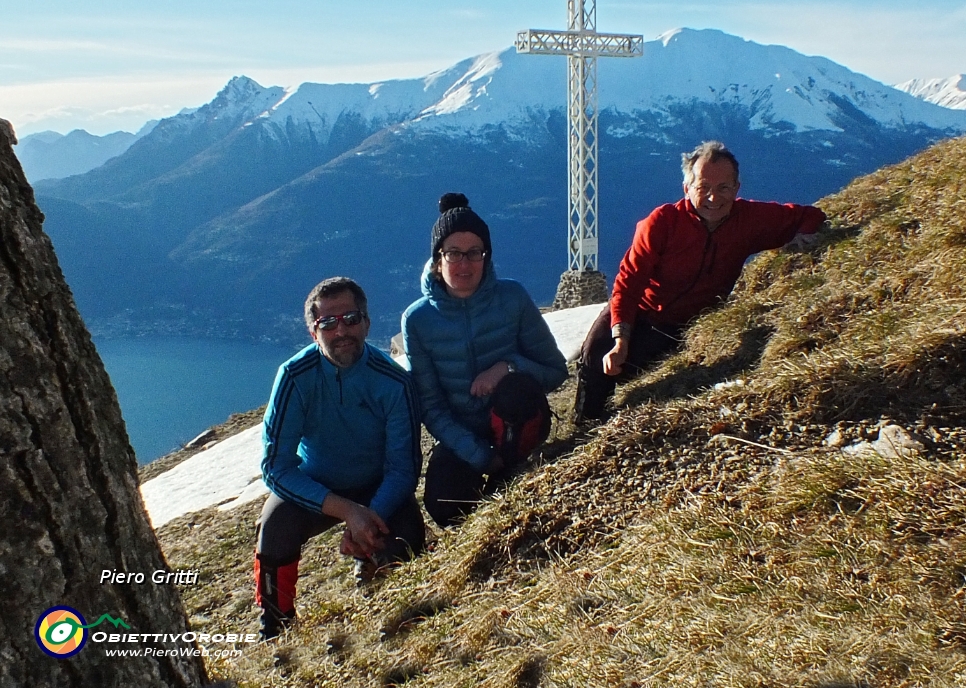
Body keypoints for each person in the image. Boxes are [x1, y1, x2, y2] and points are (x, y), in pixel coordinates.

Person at [576, 140, 826, 421]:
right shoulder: (661, 223)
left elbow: (809, 215)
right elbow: (629, 282)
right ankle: (585, 425)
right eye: (703, 188)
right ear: (686, 189)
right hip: (642, 313)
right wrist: (621, 338)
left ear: (736, 188)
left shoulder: (750, 219)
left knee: (653, 380)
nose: (713, 198)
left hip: (687, 326)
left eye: (723, 188)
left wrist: (802, 239)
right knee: (596, 357)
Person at [255, 277, 424, 639]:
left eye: (350, 318)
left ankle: (379, 585)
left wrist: (370, 514)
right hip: (318, 484)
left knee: (408, 543)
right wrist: (348, 511)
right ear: (313, 332)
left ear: (366, 322)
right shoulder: (294, 377)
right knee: (275, 527)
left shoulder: (393, 382)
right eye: (328, 323)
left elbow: (403, 468)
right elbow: (275, 467)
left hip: (378, 486)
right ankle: (275, 627)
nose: (341, 330)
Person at [402, 193, 569, 528]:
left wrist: (507, 367)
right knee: (444, 505)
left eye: (474, 253)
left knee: (514, 389)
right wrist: (477, 454)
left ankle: (511, 472)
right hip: (464, 434)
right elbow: (431, 406)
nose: (465, 264)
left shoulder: (513, 298)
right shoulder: (417, 321)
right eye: (453, 254)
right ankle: (496, 484)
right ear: (437, 260)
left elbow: (555, 371)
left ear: (487, 257)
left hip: (519, 420)